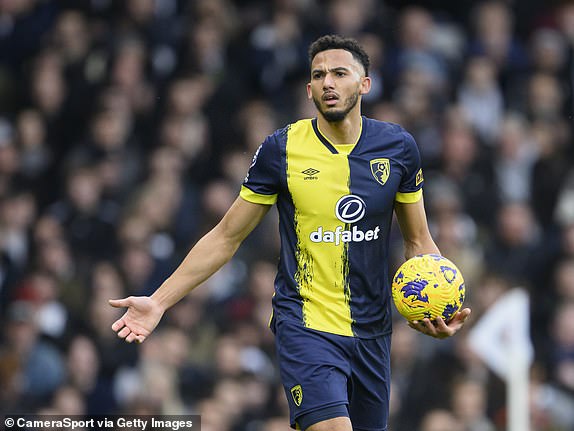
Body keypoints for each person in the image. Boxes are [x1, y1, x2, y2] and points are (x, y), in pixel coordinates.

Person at [109, 34, 471, 431]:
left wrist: (436, 306)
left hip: (372, 331)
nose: (328, 83)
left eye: (339, 73)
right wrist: (159, 301)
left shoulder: (398, 147)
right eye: (318, 76)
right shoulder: (281, 150)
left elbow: (419, 242)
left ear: (364, 83)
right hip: (306, 323)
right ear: (309, 88)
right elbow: (227, 235)